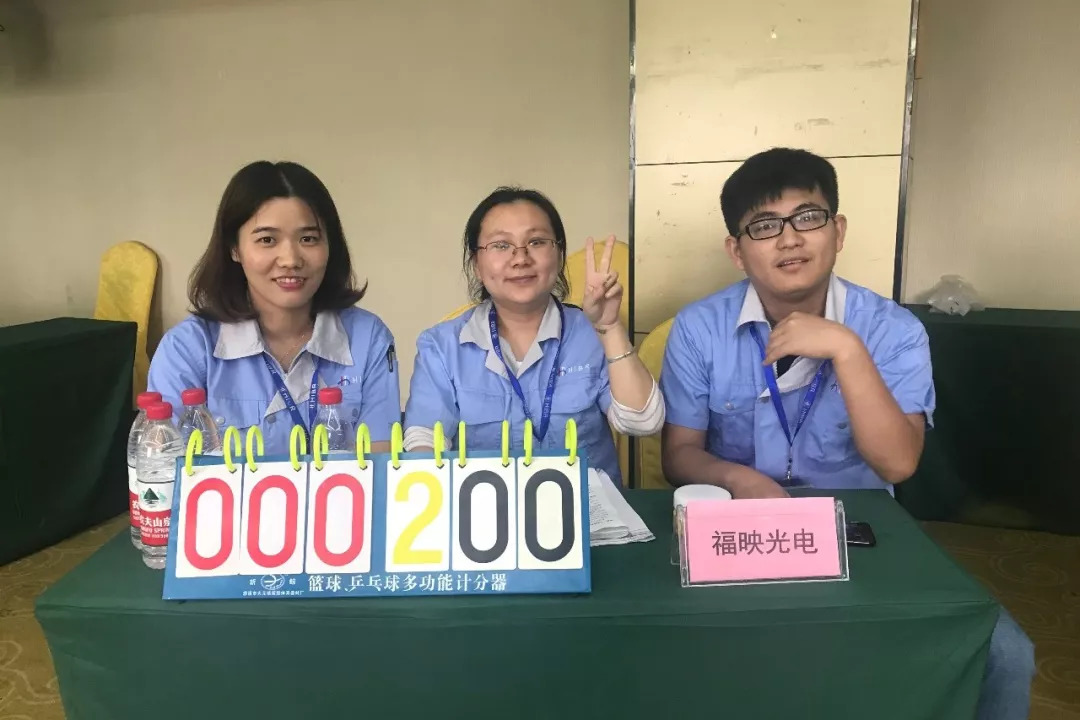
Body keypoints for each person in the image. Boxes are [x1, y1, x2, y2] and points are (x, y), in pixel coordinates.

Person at [658, 147, 1035, 720]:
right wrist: (737, 479)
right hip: (742, 528)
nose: (789, 239)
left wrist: (847, 349)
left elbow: (898, 464)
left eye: (807, 217)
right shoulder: (698, 329)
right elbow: (680, 455)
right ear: (737, 251)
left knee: (1006, 655)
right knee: (695, 649)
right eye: (765, 226)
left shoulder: (893, 331)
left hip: (859, 531)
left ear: (837, 231)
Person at [402, 186, 663, 484]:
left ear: (559, 255)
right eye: (501, 245)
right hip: (484, 509)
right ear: (477, 264)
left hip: (589, 509)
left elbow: (643, 422)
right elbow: (424, 438)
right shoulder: (441, 346)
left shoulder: (591, 331)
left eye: (536, 242)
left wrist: (610, 326)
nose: (520, 258)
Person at [148, 160, 400, 454]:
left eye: (308, 239)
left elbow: (379, 462)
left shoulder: (368, 339)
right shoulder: (187, 349)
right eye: (267, 240)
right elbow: (163, 469)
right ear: (234, 249)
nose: (290, 259)